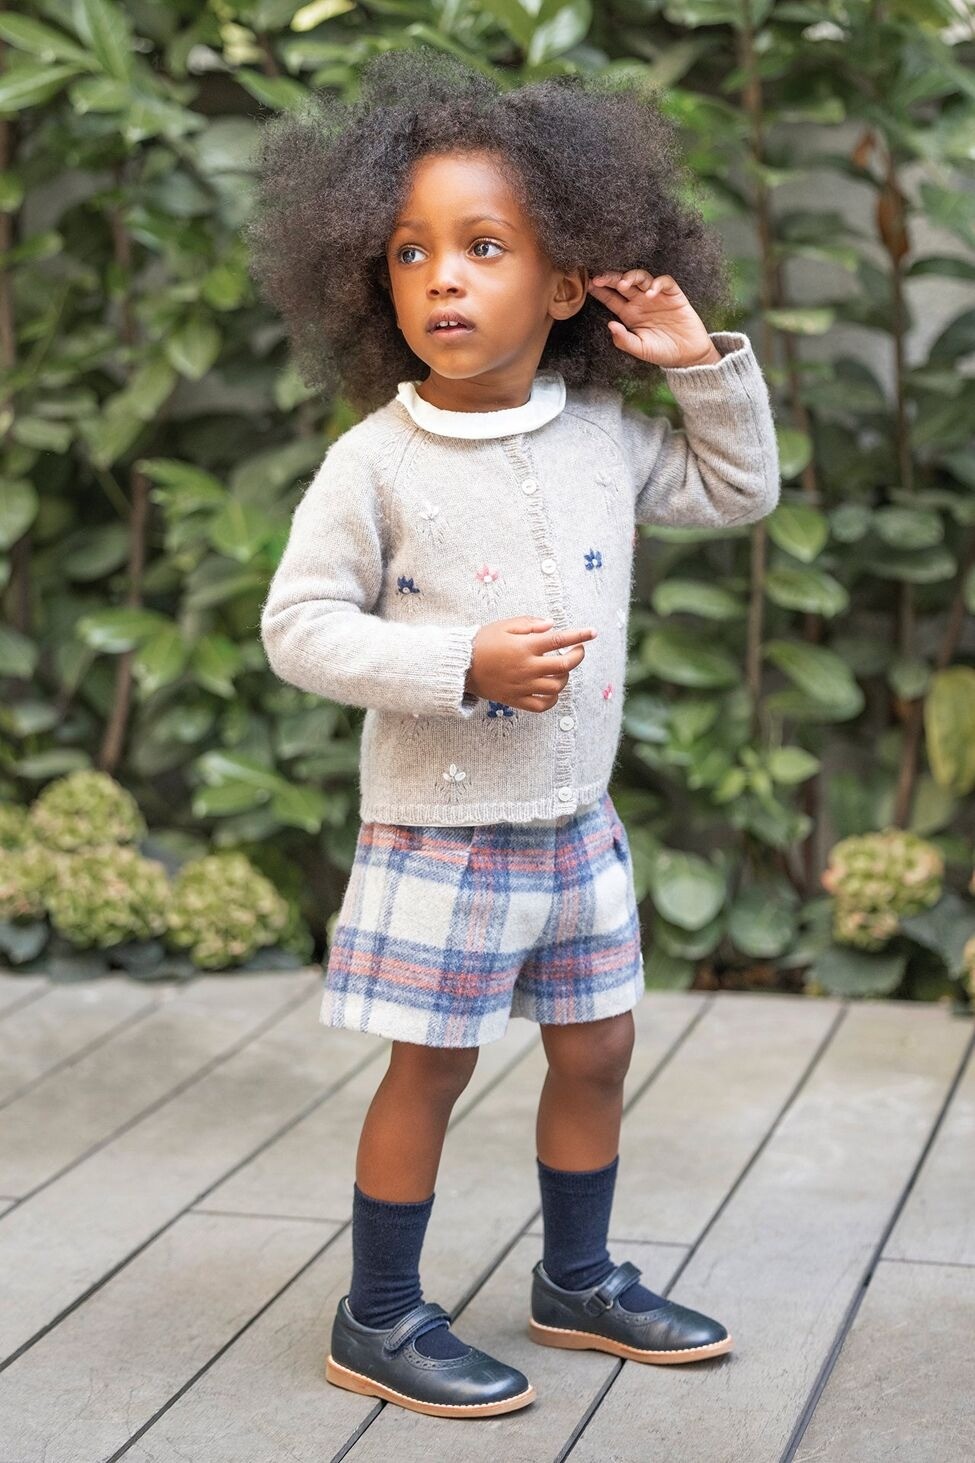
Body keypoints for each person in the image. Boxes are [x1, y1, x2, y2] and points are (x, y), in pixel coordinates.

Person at [248, 47, 779, 1421]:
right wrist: (458, 666)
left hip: (575, 827)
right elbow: (299, 628)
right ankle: (378, 1313)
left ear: (563, 285)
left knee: (597, 1050)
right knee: (429, 1069)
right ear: (373, 281)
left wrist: (696, 364)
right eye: (413, 251)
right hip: (440, 835)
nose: (444, 278)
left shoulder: (600, 433)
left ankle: (577, 1279)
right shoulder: (374, 462)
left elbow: (736, 493)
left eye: (485, 247)